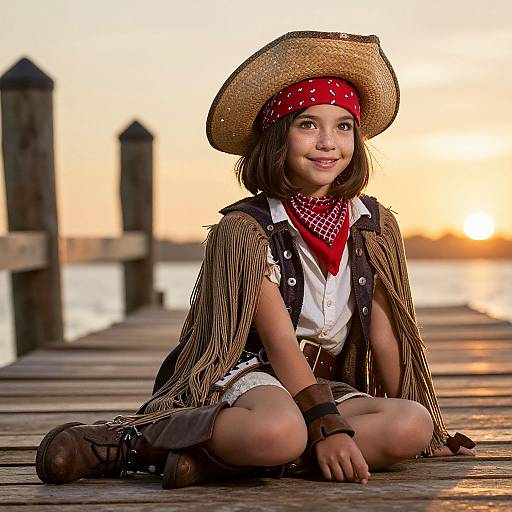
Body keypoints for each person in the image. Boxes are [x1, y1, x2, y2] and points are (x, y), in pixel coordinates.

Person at [36, 30, 475, 489]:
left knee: (410, 424)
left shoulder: (373, 225)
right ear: (277, 137)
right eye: (308, 124)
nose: (328, 142)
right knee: (278, 430)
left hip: (321, 384)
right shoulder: (248, 230)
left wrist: (430, 433)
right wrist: (326, 426)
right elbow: (281, 342)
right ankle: (131, 441)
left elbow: (386, 336)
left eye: (343, 125)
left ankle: (215, 460)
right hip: (252, 373)